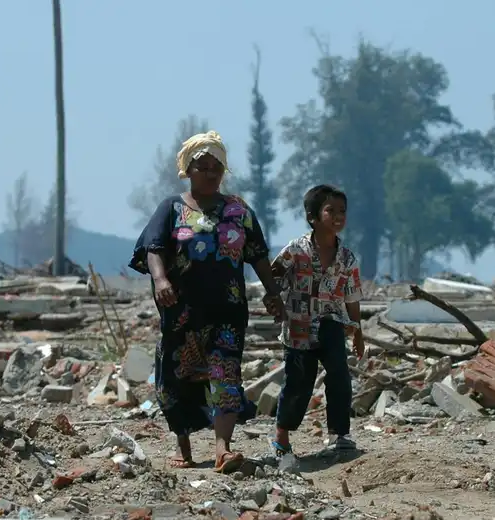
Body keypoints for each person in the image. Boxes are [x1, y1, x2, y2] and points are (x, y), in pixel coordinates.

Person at [129, 131, 285, 473]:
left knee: (225, 373)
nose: (211, 173)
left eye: (217, 167)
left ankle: (222, 449)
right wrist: (160, 280)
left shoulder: (238, 210)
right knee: (176, 378)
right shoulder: (171, 208)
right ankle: (183, 446)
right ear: (188, 169)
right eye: (203, 166)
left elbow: (257, 256)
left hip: (227, 311)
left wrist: (274, 294)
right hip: (181, 312)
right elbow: (153, 248)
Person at [269, 184, 364, 472]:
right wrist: (274, 302)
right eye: (330, 210)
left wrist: (358, 330)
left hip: (332, 323)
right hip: (298, 326)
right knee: (299, 382)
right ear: (312, 216)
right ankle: (281, 436)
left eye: (342, 211)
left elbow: (352, 296)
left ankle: (340, 434)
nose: (338, 216)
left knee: (339, 374)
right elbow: (273, 279)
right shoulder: (295, 250)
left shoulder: (346, 258)